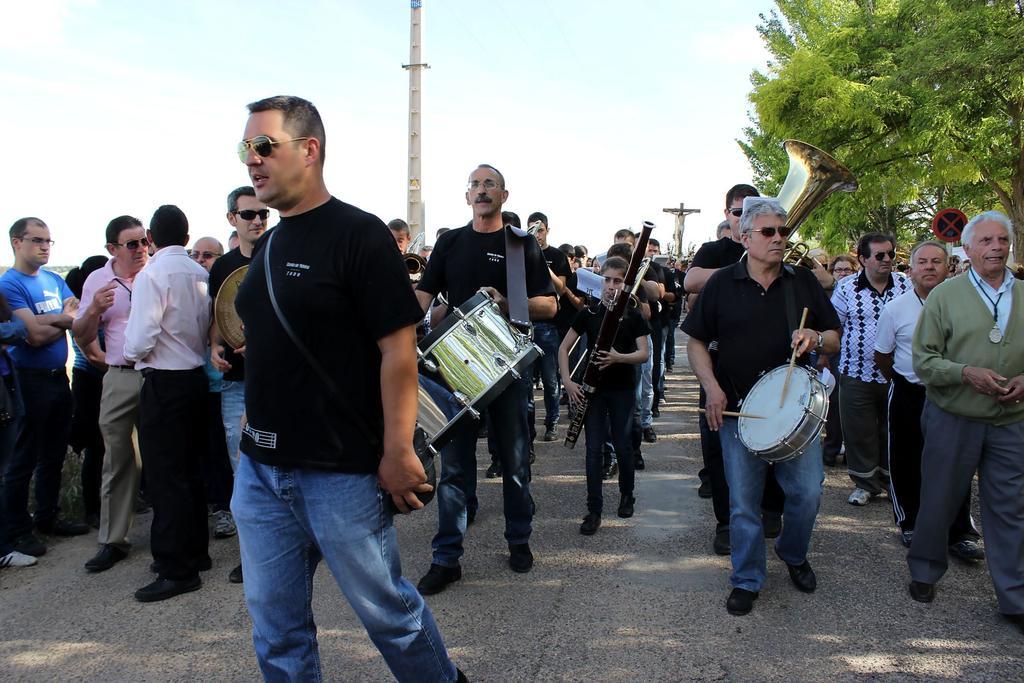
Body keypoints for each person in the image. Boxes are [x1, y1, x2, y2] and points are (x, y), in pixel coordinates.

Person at [231, 95, 462, 680]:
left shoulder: (359, 234)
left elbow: (398, 350)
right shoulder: (270, 244)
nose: (251, 159)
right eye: (245, 148)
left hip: (339, 473)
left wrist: (399, 450)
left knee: (390, 617)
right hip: (261, 472)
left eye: (264, 146)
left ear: (309, 150)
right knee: (276, 631)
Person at [682, 196, 841, 617]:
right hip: (738, 411)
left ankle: (792, 552)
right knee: (743, 503)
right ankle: (747, 578)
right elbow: (696, 341)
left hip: (793, 411)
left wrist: (815, 337)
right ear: (745, 237)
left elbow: (833, 337)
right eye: (768, 232)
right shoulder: (721, 283)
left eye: (783, 231)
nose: (778, 239)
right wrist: (711, 388)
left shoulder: (802, 281)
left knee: (807, 493)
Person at [414, 163, 556, 595]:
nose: (481, 190)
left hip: (507, 368)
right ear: (466, 196)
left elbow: (549, 305)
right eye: (474, 184)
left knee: (515, 464)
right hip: (456, 369)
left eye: (489, 184)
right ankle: (446, 559)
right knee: (455, 470)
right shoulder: (450, 243)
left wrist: (507, 302)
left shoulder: (520, 244)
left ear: (503, 196)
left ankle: (519, 541)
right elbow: (420, 299)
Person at [906, 212, 1024, 635]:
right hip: (953, 416)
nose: (997, 247)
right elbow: (924, 360)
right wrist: (965, 373)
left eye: (1002, 240)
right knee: (939, 498)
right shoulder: (945, 296)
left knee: (1010, 508)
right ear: (968, 249)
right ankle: (924, 570)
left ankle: (1015, 597)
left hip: (1011, 420)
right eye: (986, 241)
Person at [683, 184, 785, 556]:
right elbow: (690, 281)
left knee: (773, 437)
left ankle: (770, 506)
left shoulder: (776, 246)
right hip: (718, 360)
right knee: (717, 444)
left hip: (771, 365)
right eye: (738, 211)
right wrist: (745, 267)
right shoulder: (715, 250)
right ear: (727, 215)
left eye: (751, 210)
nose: (744, 216)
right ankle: (726, 522)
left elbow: (820, 280)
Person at [124, 205, 212, 602]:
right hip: (194, 377)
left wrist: (130, 353)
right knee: (191, 469)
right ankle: (196, 552)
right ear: (187, 237)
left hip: (164, 379)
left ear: (151, 239)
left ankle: (176, 567)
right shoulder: (200, 273)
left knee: (165, 475)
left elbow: (140, 338)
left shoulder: (153, 275)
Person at [874, 240, 982, 557]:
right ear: (910, 270)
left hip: (953, 392)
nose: (930, 267)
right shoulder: (895, 309)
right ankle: (910, 523)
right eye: (922, 262)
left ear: (949, 267)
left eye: (936, 261)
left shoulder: (965, 305)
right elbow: (882, 355)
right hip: (909, 392)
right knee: (906, 460)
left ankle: (960, 532)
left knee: (955, 462)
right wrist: (905, 380)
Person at [0, 217, 84, 562]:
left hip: (58, 377)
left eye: (49, 241)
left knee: (54, 452)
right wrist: (61, 320)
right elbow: (31, 336)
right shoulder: (9, 284)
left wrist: (50, 320)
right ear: (16, 242)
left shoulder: (53, 279)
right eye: (37, 240)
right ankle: (18, 530)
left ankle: (48, 517)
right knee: (24, 457)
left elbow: (75, 316)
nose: (45, 247)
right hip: (29, 379)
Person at [73, 216, 150, 573]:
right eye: (132, 244)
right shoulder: (97, 280)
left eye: (144, 241)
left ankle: (173, 536)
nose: (141, 249)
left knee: (165, 455)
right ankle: (113, 540)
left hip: (159, 374)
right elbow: (82, 334)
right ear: (112, 249)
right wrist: (94, 309)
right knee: (117, 458)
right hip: (120, 376)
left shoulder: (157, 272)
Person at [559, 256, 650, 535]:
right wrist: (567, 381)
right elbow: (563, 348)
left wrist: (618, 357)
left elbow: (643, 354)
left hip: (622, 389)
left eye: (617, 281)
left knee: (623, 446)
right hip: (593, 390)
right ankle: (593, 509)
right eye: (607, 280)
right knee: (593, 449)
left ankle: (627, 495)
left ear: (626, 284)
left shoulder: (633, 315)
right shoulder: (589, 313)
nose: (611, 286)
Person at [210, 185, 269, 585]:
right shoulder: (222, 267)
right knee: (242, 470)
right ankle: (252, 556)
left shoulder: (278, 255)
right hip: (235, 382)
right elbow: (219, 316)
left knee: (281, 467)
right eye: (249, 214)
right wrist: (215, 346)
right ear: (232, 218)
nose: (258, 221)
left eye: (263, 214)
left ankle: (282, 548)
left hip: (277, 381)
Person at [830, 232, 910, 506]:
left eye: (891, 254)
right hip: (855, 372)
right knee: (858, 431)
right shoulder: (846, 288)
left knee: (894, 430)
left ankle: (890, 482)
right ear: (863, 259)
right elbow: (835, 326)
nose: (887, 259)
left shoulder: (905, 284)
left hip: (897, 373)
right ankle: (865, 484)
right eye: (880, 255)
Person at [64, 255, 110, 531]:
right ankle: (93, 508)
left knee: (108, 445)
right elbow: (91, 354)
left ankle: (106, 504)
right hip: (91, 380)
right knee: (96, 445)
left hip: (97, 377)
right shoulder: (84, 309)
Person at [528, 211, 572, 442]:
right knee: (525, 382)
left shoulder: (557, 256)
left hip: (548, 326)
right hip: (523, 324)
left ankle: (552, 422)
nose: (537, 234)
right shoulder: (521, 252)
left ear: (547, 230)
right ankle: (528, 428)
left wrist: (542, 263)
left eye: (540, 230)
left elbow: (561, 289)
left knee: (550, 379)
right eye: (532, 230)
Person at [0, 291, 29, 569]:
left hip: (8, 389)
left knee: (5, 469)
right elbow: (18, 329)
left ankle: (7, 541)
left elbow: (21, 330)